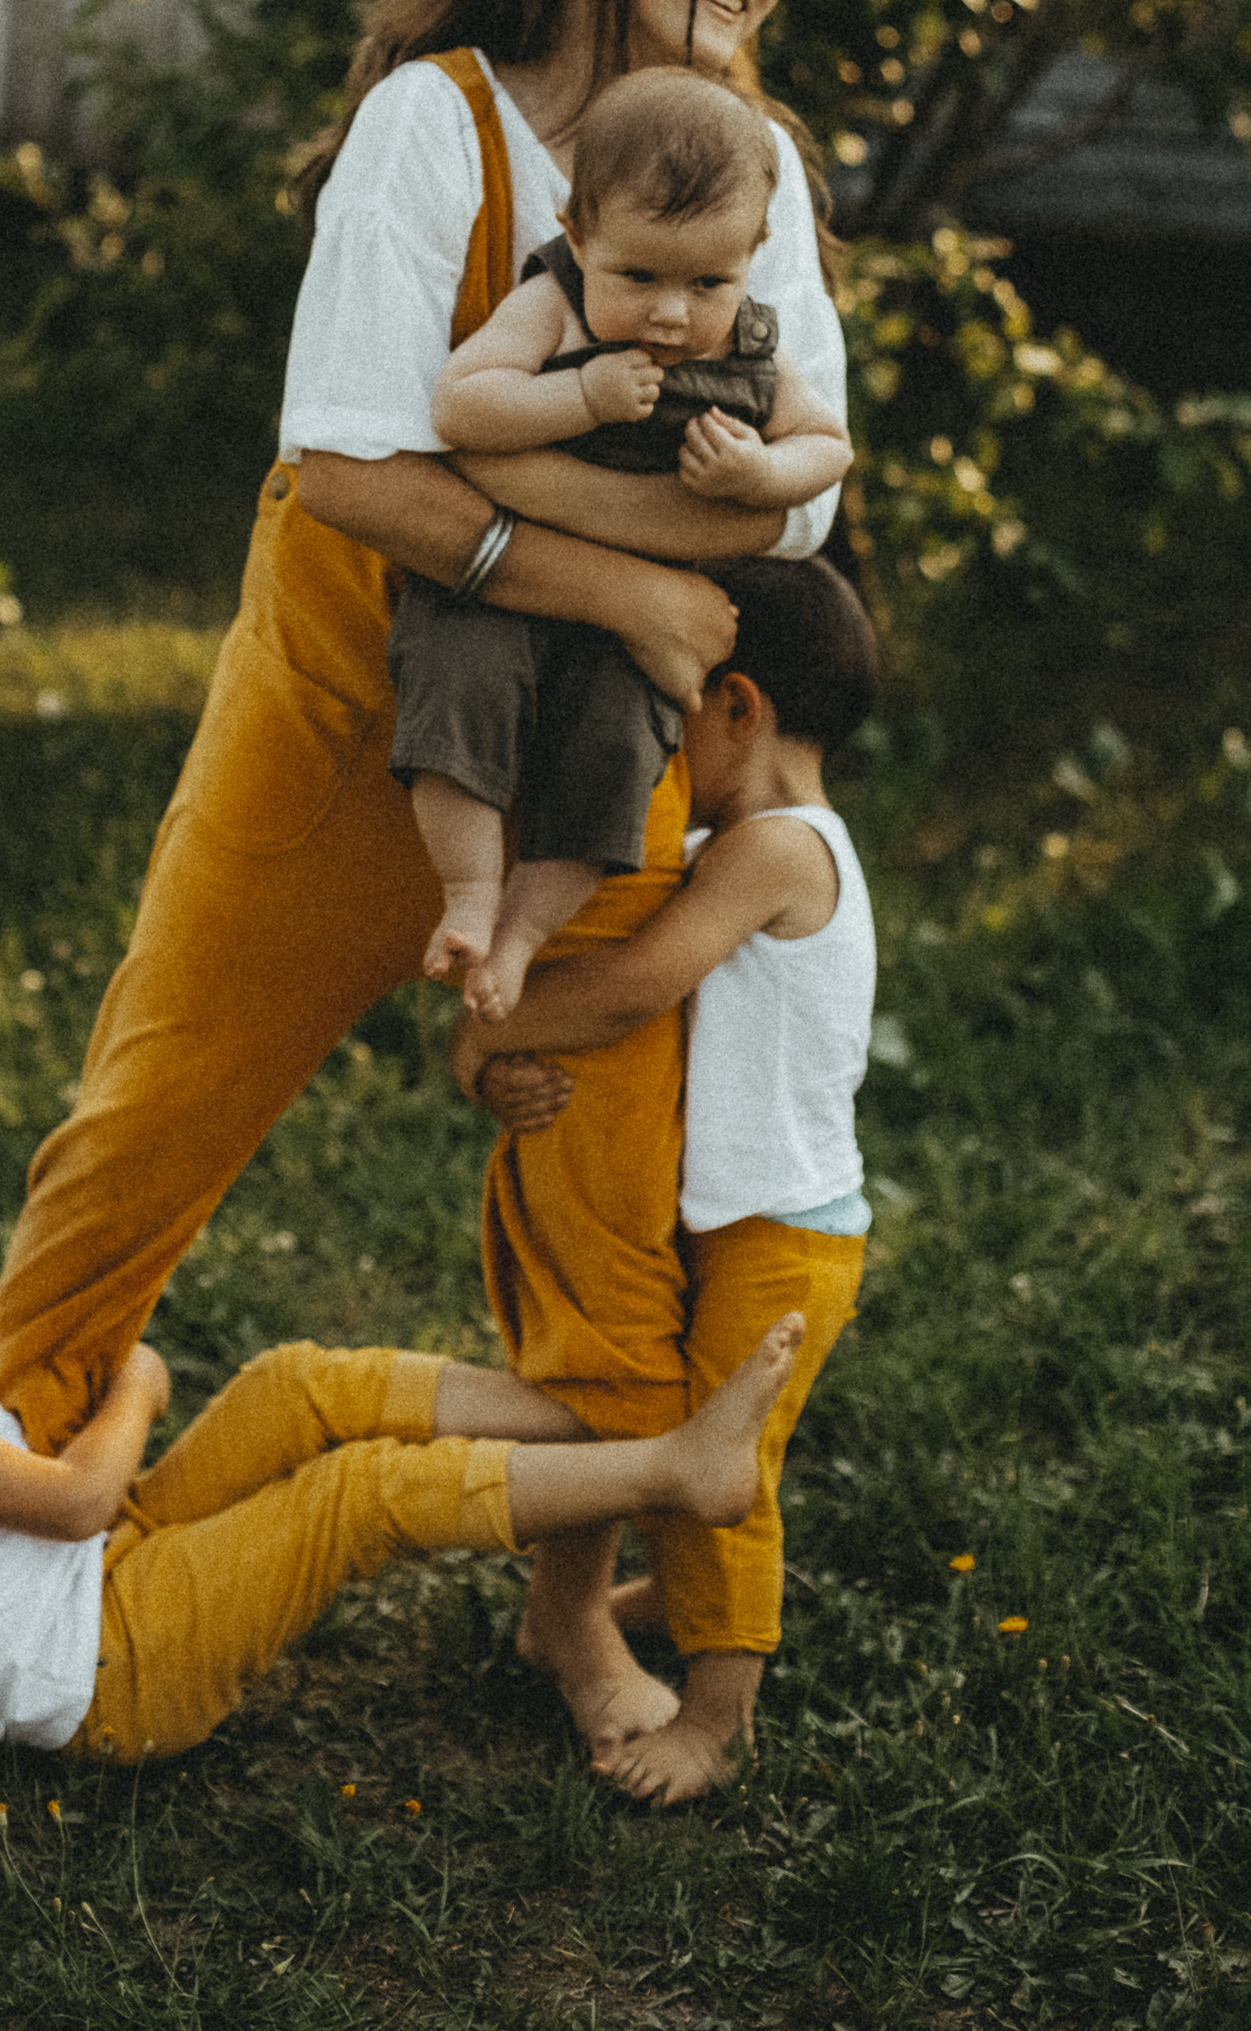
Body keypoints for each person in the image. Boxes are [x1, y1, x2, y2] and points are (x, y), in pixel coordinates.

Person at [0, 0, 849, 1762]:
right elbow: (346, 469)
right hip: (334, 726)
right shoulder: (431, 125)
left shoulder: (760, 169)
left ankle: (572, 1613)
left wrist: (623, 521)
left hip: (599, 765)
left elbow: (809, 484)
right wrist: (639, 573)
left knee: (600, 1195)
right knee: (141, 1138)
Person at [0, 1083, 808, 1765]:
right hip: (109, 1673)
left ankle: (596, 1411)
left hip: (105, 1583)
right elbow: (68, 1503)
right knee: (351, 1493)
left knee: (292, 1385)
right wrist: (138, 1392)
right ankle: (667, 1466)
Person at [449, 556, 881, 1806]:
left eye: (668, 705)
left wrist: (495, 1025)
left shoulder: (779, 851)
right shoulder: (736, 840)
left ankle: (714, 1718)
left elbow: (639, 983)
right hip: (730, 1217)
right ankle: (617, 1608)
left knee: (719, 1478)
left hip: (783, 1232)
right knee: (658, 1433)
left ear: (734, 707)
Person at [392, 68, 851, 1018]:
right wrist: (578, 394)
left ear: (752, 257)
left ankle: (519, 939)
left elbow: (827, 446)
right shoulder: (554, 306)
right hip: (505, 585)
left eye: (708, 283)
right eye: (637, 276)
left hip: (632, 629)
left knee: (616, 760)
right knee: (457, 694)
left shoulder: (754, 350)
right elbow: (459, 402)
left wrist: (760, 476)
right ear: (578, 230)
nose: (671, 314)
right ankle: (470, 896)